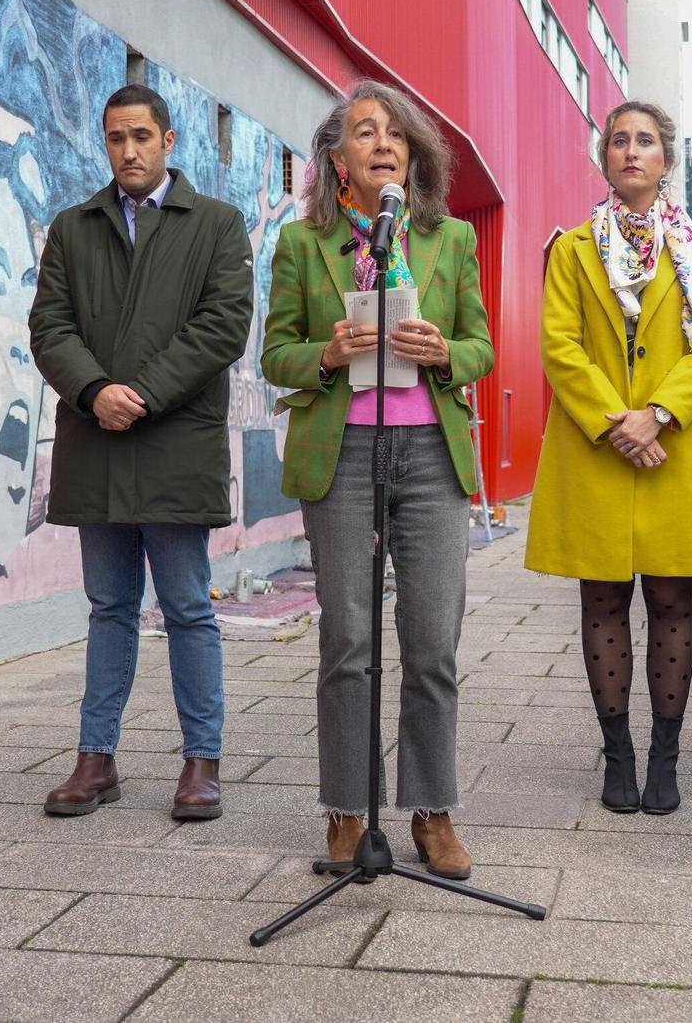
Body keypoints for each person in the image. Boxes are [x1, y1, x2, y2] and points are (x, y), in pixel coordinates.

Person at [262, 79, 493, 879]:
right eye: (364, 131)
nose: (383, 142)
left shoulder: (450, 238)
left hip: (430, 454)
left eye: (395, 132)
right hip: (342, 456)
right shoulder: (301, 245)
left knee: (432, 641)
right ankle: (347, 811)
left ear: (413, 154)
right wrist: (326, 354)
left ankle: (432, 812)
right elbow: (275, 354)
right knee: (348, 639)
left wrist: (446, 352)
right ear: (338, 159)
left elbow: (482, 346)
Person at [29, 83, 254, 823]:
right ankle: (95, 760)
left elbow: (223, 325)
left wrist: (144, 393)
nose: (128, 151)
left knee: (187, 607)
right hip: (96, 442)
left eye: (141, 137)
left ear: (168, 140)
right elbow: (49, 326)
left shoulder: (216, 224)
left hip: (174, 444)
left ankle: (202, 761)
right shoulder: (74, 228)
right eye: (116, 138)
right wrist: (95, 390)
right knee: (109, 607)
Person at [526, 101, 692, 816]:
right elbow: (559, 344)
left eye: (646, 141)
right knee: (603, 601)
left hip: (675, 447)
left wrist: (658, 414)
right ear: (606, 158)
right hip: (598, 449)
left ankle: (665, 759)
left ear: (666, 159)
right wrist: (617, 422)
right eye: (619, 141)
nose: (631, 151)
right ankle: (617, 755)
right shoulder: (574, 248)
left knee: (674, 603)